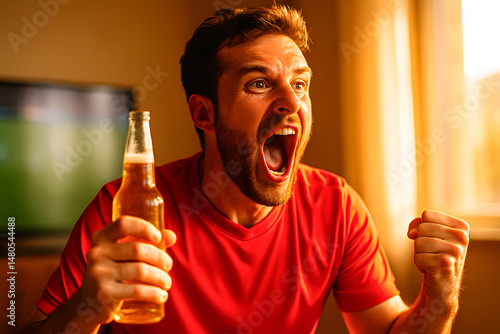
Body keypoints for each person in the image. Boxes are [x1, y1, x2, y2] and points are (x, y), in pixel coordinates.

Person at [21, 5, 469, 334]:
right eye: (259, 83)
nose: (292, 103)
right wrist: (87, 307)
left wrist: (440, 299)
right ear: (204, 114)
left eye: (300, 84)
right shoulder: (125, 209)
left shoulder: (336, 206)